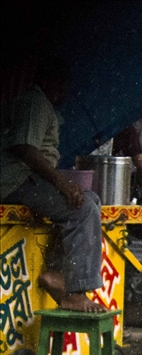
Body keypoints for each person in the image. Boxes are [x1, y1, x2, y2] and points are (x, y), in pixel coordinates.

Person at [0, 57, 104, 313]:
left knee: (91, 200)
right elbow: (25, 148)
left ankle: (56, 274)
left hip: (27, 179)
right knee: (83, 209)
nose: (64, 93)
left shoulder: (41, 105)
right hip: (16, 180)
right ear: (52, 83)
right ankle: (76, 293)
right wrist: (61, 183)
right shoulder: (34, 102)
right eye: (62, 86)